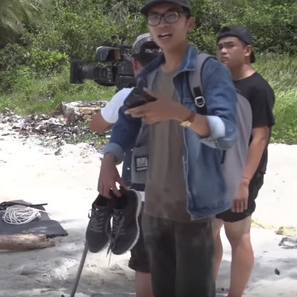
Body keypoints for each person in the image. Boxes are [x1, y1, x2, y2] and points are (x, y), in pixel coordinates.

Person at [97, 0, 240, 296]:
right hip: (153, 208)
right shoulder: (148, 76)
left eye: (172, 16)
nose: (163, 23)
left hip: (193, 208)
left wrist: (181, 114)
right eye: (155, 17)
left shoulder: (209, 72)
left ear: (189, 23)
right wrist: (109, 159)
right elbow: (126, 123)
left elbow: (227, 133)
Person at [88, 33, 160, 297]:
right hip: (180, 194)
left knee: (145, 265)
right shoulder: (191, 89)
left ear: (135, 63)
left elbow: (96, 125)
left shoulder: (126, 95)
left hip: (139, 191)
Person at [212, 25, 275, 297]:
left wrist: (244, 181)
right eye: (220, 46)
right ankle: (205, 286)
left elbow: (259, 138)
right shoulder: (219, 82)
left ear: (247, 51)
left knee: (237, 235)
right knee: (208, 232)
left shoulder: (258, 88)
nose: (223, 51)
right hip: (216, 170)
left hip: (242, 173)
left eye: (230, 45)